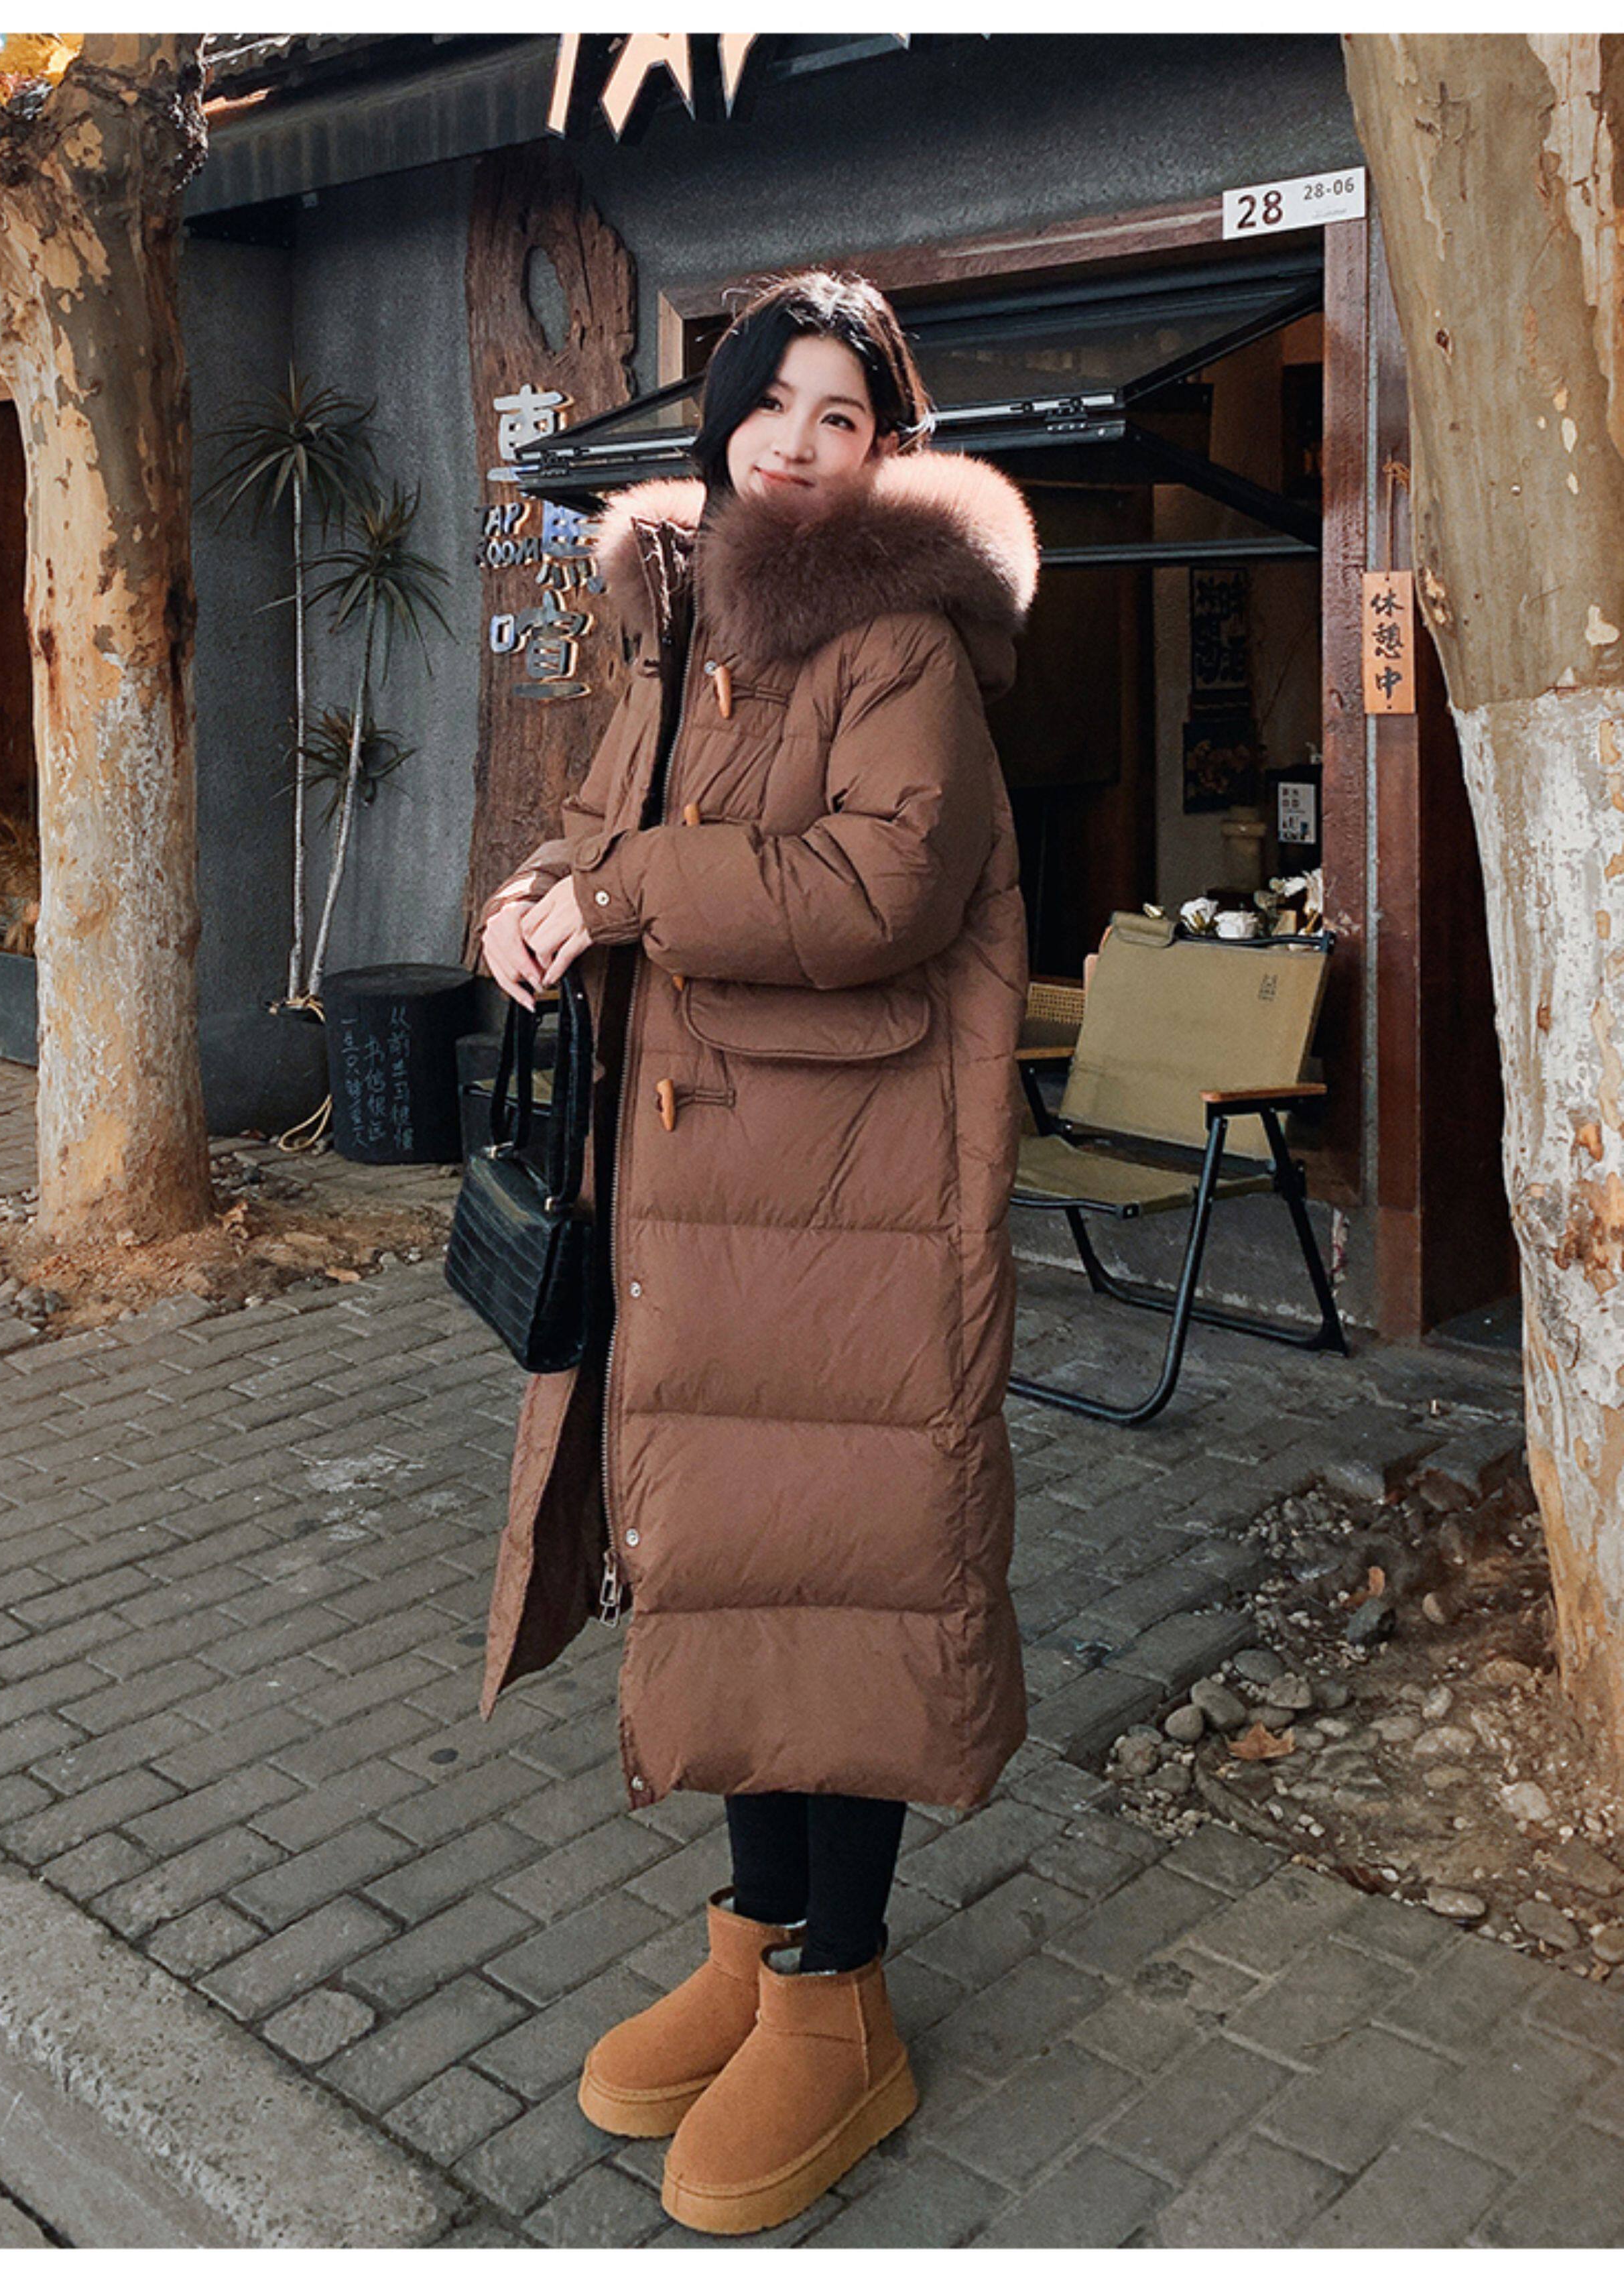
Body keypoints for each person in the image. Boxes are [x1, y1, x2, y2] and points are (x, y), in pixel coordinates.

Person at [475, 269, 1038, 2236]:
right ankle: (754, 1936)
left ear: (892, 448)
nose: (799, 446)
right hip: (695, 1194)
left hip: (850, 1201)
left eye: (844, 416)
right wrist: (526, 907)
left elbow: (881, 885)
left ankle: (840, 1995)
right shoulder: (680, 614)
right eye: (771, 406)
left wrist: (622, 891)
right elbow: (599, 830)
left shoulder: (904, 639)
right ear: (720, 424)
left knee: (845, 1562)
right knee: (721, 1546)